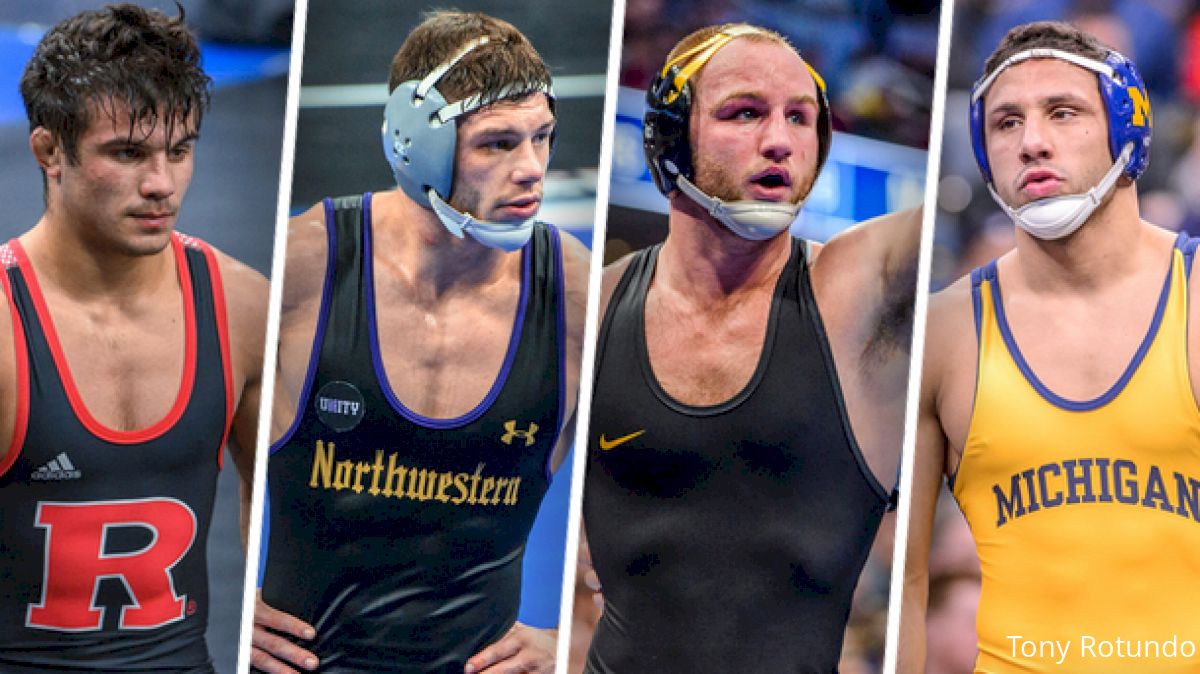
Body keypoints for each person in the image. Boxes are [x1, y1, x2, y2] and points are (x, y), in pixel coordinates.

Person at [251, 11, 588, 674]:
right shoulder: (305, 267)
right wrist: (226, 605)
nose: (532, 169)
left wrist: (572, 635)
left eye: (542, 138)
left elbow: (655, 474)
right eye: (498, 144)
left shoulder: (575, 297)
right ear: (414, 144)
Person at [581, 23, 918, 672]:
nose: (780, 141)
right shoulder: (596, 306)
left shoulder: (855, 294)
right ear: (671, 137)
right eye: (745, 113)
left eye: (800, 118)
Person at [901, 21, 1200, 673]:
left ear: (1128, 128)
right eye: (1006, 123)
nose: (1031, 142)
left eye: (1063, 113)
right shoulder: (943, 336)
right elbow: (906, 586)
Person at [0, 4, 266, 672]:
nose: (161, 185)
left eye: (179, 151)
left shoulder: (242, 307)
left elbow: (291, 507)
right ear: (49, 152)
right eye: (127, 153)